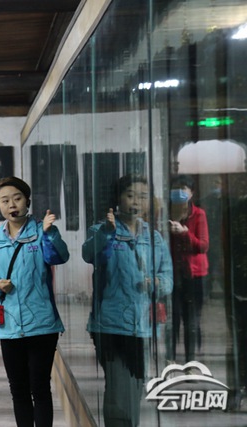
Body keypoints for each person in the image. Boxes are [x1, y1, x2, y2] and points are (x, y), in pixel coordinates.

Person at [0, 176, 68, 427]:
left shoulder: (41, 232)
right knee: (18, 388)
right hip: (9, 327)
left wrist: (49, 235)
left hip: (42, 324)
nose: (12, 205)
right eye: (5, 200)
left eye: (17, 198)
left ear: (27, 201)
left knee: (39, 387)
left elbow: (59, 257)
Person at [82, 174, 172, 427]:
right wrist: (108, 233)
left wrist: (157, 283)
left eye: (142, 197)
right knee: (119, 388)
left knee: (135, 385)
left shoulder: (154, 237)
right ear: (118, 198)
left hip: (142, 325)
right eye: (130, 195)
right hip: (110, 325)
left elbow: (167, 276)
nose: (136, 202)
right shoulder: (102, 231)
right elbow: (90, 254)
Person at [166, 174, 209, 363]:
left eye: (183, 188)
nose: (179, 192)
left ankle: (191, 360)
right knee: (173, 318)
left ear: (192, 193)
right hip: (172, 273)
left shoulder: (198, 214)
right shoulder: (165, 212)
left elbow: (203, 246)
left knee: (192, 320)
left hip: (194, 274)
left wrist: (185, 233)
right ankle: (170, 360)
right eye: (176, 188)